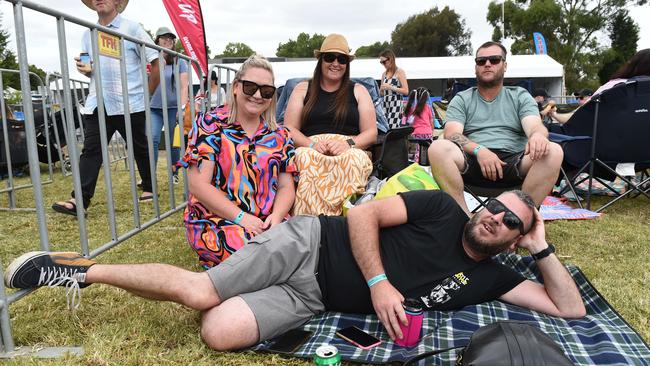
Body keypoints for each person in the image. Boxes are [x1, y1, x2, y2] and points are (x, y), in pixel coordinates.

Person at [5, 189, 586, 351]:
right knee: (200, 291)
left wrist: (541, 245)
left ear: (515, 235)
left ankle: (85, 271)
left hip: (315, 301)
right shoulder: (438, 208)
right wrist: (380, 283)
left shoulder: (497, 275)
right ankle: (81, 271)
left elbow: (569, 307)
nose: (496, 219)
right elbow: (359, 215)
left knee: (218, 332)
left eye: (512, 221)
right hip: (308, 245)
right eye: (495, 207)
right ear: (481, 206)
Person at [179, 55, 296, 269]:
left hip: (267, 222)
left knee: (298, 249)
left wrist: (277, 218)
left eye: (266, 90)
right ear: (235, 87)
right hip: (217, 219)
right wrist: (242, 217)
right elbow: (198, 184)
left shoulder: (280, 135)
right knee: (251, 254)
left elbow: (286, 186)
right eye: (250, 87)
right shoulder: (210, 125)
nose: (258, 95)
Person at [427, 41, 563, 213]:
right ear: (476, 67)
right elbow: (452, 134)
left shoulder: (520, 95)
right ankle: (462, 219)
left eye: (494, 59)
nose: (487, 64)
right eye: (481, 61)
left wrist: (537, 136)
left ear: (504, 65)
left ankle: (519, 219)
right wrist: (480, 151)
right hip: (472, 161)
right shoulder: (462, 98)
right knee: (438, 147)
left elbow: (535, 126)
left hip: (515, 162)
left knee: (553, 151)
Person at [52, 0, 158, 216]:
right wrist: (87, 70)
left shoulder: (132, 28)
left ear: (118, 2)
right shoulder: (87, 34)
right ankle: (79, 201)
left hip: (131, 102)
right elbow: (90, 68)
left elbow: (155, 62)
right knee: (91, 150)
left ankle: (149, 187)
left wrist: (147, 95)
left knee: (140, 147)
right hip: (98, 101)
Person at [284, 33, 377, 216]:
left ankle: (343, 220)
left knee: (355, 161)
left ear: (347, 65)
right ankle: (309, 222)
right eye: (329, 57)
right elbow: (289, 129)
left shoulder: (358, 91)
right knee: (303, 158)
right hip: (309, 146)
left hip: (349, 148)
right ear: (320, 60)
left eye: (341, 59)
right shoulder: (302, 89)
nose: (336, 63)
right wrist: (311, 145)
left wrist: (347, 144)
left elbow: (371, 133)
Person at [551, 49, 650, 125]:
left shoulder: (614, 87)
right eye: (578, 97)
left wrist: (554, 114)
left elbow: (577, 119)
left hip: (612, 145)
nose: (579, 99)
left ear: (632, 65)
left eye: (580, 97)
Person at [150, 27, 189, 184]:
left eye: (171, 39)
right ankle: (149, 176)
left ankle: (174, 172)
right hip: (154, 108)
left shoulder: (180, 61)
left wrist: (182, 107)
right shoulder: (151, 60)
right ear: (157, 40)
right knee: (152, 138)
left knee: (174, 143)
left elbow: (184, 86)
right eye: (164, 38)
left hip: (173, 109)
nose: (168, 41)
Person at [402, 87, 434, 163]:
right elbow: (431, 122)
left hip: (415, 134)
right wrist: (431, 132)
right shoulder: (428, 108)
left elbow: (405, 122)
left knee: (416, 148)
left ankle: (415, 159)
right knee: (427, 147)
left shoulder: (410, 108)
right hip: (427, 134)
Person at [379, 49, 409, 129]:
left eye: (384, 62)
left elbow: (406, 91)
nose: (383, 64)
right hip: (385, 103)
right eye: (381, 62)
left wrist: (391, 87)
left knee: (393, 128)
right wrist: (381, 89)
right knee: (384, 128)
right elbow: (381, 94)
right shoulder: (384, 74)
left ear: (390, 59)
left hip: (396, 103)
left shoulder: (399, 72)